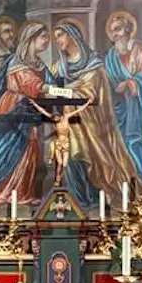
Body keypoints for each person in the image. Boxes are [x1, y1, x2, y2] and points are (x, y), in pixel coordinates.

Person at [49, 20, 134, 206]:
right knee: (70, 157)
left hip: (93, 122)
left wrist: (62, 91)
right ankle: (77, 201)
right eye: (55, 38)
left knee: (95, 158)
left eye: (60, 35)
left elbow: (90, 94)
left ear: (72, 35)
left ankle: (96, 198)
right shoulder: (58, 67)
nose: (57, 40)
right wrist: (61, 91)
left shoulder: (94, 65)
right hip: (69, 124)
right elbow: (48, 92)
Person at [0, 21, 54, 204]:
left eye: (47, 37)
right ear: (31, 39)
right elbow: (30, 83)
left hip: (28, 110)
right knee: (9, 149)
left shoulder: (39, 63)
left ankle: (22, 194)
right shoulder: (17, 61)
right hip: (12, 108)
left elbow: (50, 83)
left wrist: (59, 90)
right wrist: (53, 90)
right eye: (43, 37)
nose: (47, 40)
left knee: (29, 149)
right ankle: (3, 193)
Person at [103, 10, 142, 177]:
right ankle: (126, 179)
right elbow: (109, 84)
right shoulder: (111, 57)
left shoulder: (140, 50)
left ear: (127, 29)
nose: (115, 34)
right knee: (120, 145)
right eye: (112, 31)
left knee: (137, 143)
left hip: (140, 109)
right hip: (120, 109)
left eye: (118, 29)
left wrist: (132, 82)